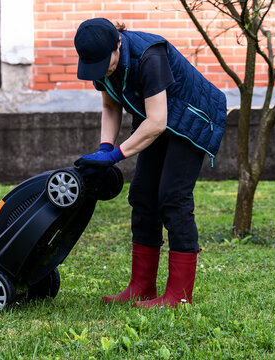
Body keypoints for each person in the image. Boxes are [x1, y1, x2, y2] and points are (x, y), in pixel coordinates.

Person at [73, 18, 227, 308]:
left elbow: (157, 122)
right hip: (156, 117)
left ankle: (178, 296)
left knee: (173, 198)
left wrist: (115, 155)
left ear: (117, 44)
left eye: (104, 62)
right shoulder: (101, 60)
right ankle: (141, 286)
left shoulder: (149, 55)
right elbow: (110, 106)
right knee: (142, 196)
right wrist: (104, 148)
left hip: (192, 116)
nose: (101, 70)